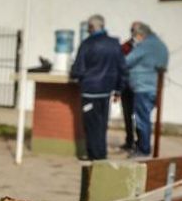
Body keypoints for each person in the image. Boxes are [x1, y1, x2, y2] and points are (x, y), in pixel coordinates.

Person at [70, 14, 127, 161]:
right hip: (106, 91)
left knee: (91, 126)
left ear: (91, 27)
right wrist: (119, 89)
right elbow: (123, 68)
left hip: (90, 91)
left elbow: (78, 70)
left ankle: (95, 158)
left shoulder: (87, 44)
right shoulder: (115, 44)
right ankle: (101, 155)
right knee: (101, 125)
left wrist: (73, 73)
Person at [125, 23, 169, 158]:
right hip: (155, 87)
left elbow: (127, 61)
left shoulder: (145, 46)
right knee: (145, 118)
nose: (134, 39)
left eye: (135, 36)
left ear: (141, 35)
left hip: (143, 87)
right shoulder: (161, 45)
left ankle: (143, 149)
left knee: (141, 119)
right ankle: (143, 145)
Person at [120, 22, 141, 151]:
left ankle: (141, 141)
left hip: (140, 87)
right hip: (127, 85)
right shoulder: (125, 46)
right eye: (133, 30)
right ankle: (129, 140)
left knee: (139, 116)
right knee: (127, 115)